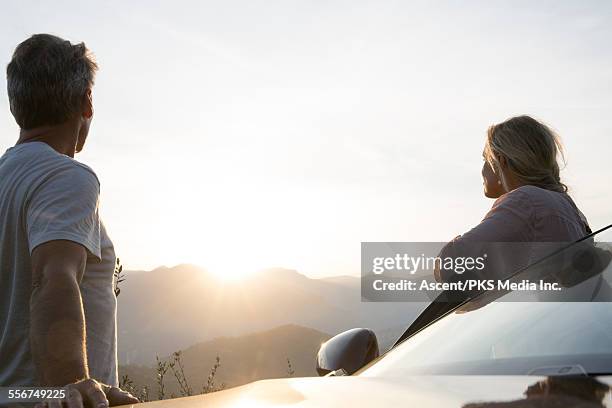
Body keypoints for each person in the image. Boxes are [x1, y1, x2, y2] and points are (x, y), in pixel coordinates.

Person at [0, 34, 138, 407]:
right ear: (86, 102)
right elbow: (51, 276)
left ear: (15, 106)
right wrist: (68, 386)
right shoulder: (65, 176)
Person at [436, 115, 591, 283]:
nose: (482, 169)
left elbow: (451, 263)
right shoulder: (571, 210)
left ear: (501, 161)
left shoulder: (527, 201)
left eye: (485, 159)